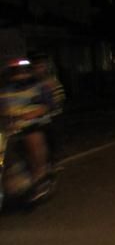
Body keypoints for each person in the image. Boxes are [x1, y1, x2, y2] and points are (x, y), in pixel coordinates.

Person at [0, 58, 52, 200]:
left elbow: (47, 105)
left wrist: (31, 114)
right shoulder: (5, 90)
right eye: (16, 71)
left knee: (33, 141)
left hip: (34, 126)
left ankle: (40, 176)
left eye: (22, 71)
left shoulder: (39, 86)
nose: (20, 74)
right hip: (12, 130)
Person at [29, 52, 66, 165]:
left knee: (52, 139)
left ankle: (54, 161)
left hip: (53, 116)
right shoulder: (33, 83)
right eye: (36, 67)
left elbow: (59, 98)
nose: (39, 70)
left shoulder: (52, 81)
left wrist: (50, 107)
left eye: (41, 67)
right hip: (39, 117)